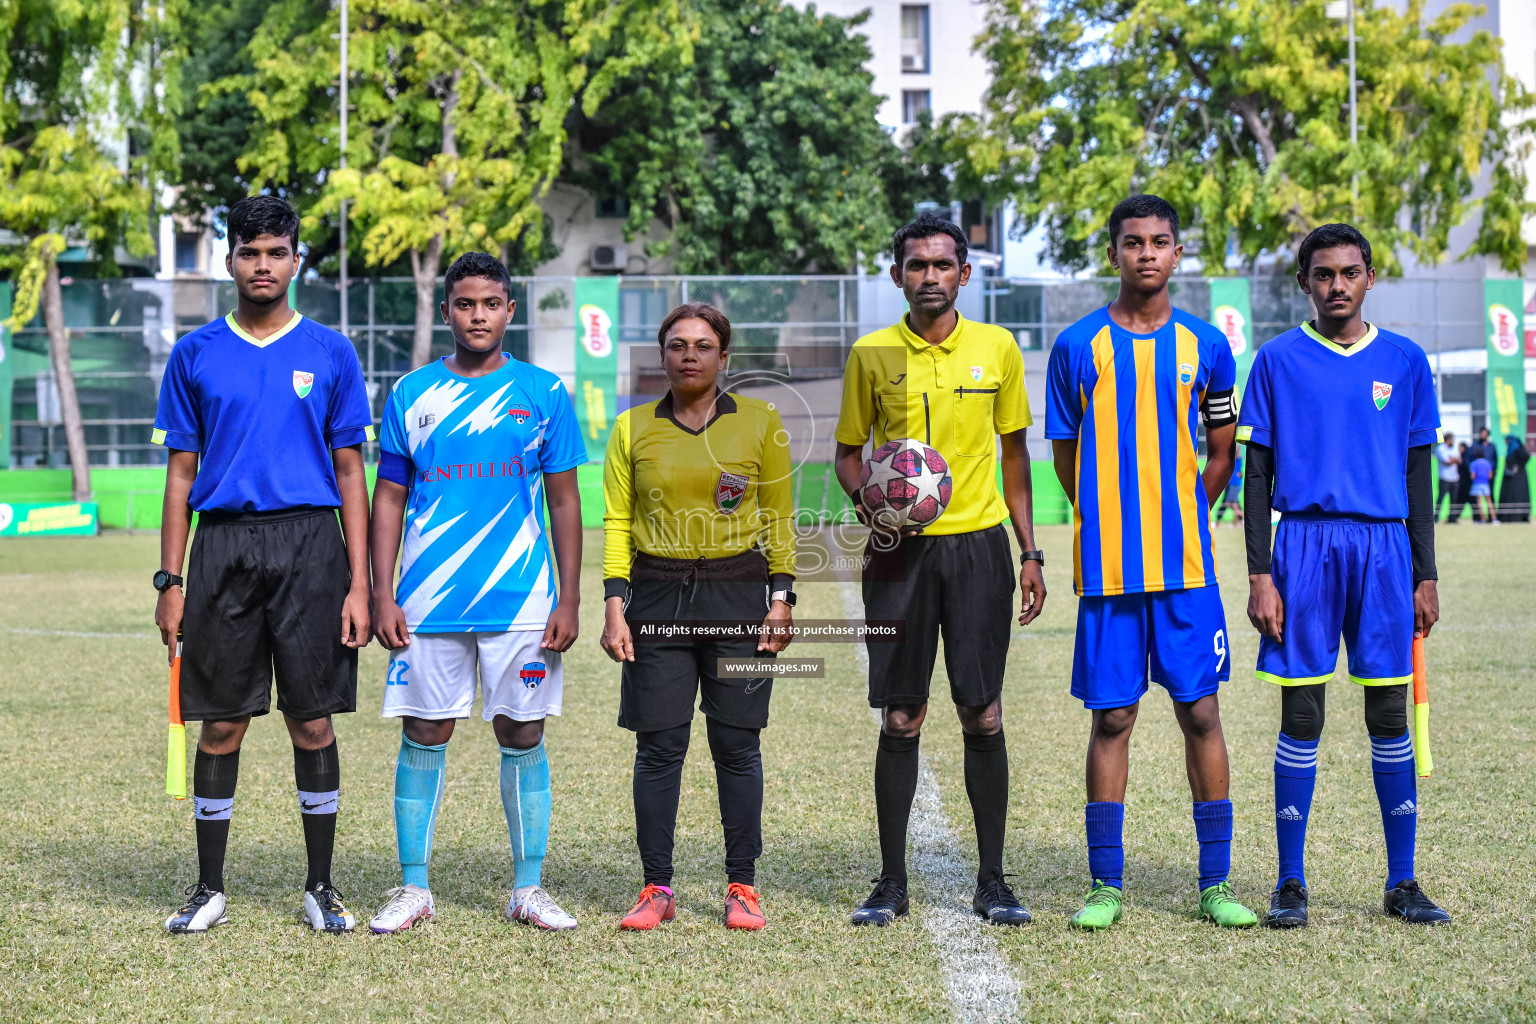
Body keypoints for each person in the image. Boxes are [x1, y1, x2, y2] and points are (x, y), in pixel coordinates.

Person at [153, 195, 373, 934]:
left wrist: (361, 584)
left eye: (276, 252)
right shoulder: (196, 353)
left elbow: (351, 473)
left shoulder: (331, 352)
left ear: (296, 260)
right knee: (221, 726)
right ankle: (209, 887)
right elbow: (181, 475)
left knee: (312, 721)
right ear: (229, 260)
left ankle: (321, 886)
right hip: (221, 548)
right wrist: (170, 579)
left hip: (313, 547)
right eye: (249, 252)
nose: (262, 265)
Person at [1045, 194, 1256, 931]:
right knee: (1113, 719)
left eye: (1160, 241)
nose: (1146, 253)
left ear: (1177, 253)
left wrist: (1185, 512)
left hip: (1188, 572)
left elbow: (1223, 448)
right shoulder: (1076, 346)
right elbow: (1066, 456)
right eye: (1132, 241)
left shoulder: (1209, 346)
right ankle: (1106, 885)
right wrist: (1108, 515)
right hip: (1108, 572)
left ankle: (1215, 884)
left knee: (1201, 712)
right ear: (1113, 253)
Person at [834, 212, 1047, 927]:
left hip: (980, 546)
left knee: (981, 711)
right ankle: (890, 882)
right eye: (916, 265)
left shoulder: (998, 348)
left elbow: (1015, 457)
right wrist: (871, 506)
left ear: (965, 272)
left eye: (942, 264)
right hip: (899, 554)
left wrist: (1031, 550)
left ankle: (993, 881)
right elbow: (847, 453)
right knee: (901, 716)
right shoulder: (869, 354)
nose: (930, 276)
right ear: (896, 275)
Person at [367, 252, 586, 934]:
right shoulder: (411, 394)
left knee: (522, 733)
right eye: (465, 304)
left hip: (523, 598)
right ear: (448, 311)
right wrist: (382, 592)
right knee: (423, 732)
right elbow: (389, 498)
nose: (478, 315)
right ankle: (413, 889)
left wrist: (569, 598)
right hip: (428, 599)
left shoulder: (545, 393)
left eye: (490, 303)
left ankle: (528, 888)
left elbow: (566, 502)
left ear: (510, 310)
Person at [1240, 222, 1450, 928]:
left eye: (1350, 272)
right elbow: (1258, 474)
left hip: (1385, 549)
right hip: (1302, 547)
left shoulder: (1406, 359)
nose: (1337, 285)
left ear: (1368, 278)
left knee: (1388, 709)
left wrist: (1427, 572)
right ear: (1305, 282)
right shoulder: (1275, 359)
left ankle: (1402, 881)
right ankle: (1291, 883)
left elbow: (1420, 473)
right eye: (1323, 274)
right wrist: (1260, 573)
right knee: (1302, 711)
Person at [599, 303, 795, 932]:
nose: (690, 354)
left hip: (738, 599)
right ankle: (656, 886)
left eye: (704, 345)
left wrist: (781, 599)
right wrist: (613, 603)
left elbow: (778, 518)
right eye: (678, 344)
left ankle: (743, 886)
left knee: (737, 747)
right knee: (660, 749)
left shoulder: (762, 422)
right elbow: (618, 522)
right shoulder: (632, 429)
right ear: (662, 355)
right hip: (656, 601)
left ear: (724, 357)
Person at [1498, 436, 1530, 522]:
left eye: (1507, 441)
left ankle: (1519, 517)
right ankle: (1507, 517)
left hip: (1518, 479)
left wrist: (1518, 467)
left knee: (1517, 496)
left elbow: (1526, 457)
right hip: (1509, 479)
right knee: (1508, 496)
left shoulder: (1518, 450)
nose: (1506, 443)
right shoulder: (1509, 451)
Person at [1433, 432, 1460, 521]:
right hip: (1444, 477)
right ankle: (1436, 517)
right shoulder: (1440, 449)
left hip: (1455, 478)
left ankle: (1452, 519)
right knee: (1441, 498)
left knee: (1454, 499)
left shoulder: (1454, 448)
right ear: (1448, 440)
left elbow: (1459, 460)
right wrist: (1454, 459)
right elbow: (1447, 461)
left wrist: (1453, 459)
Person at [1217, 449, 1245, 527]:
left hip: (1234, 485)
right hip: (1231, 486)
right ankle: (1235, 523)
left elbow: (1238, 452)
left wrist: (1238, 444)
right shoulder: (1230, 462)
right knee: (1234, 504)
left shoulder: (1238, 461)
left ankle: (1244, 519)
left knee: (1230, 503)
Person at [1469, 450, 1495, 523]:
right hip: (1485, 484)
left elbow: (1473, 476)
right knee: (1489, 502)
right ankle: (1494, 519)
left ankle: (1483, 519)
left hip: (1477, 484)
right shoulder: (1487, 463)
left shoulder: (1473, 464)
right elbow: (1490, 476)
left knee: (1480, 503)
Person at [1452, 442, 1473, 523]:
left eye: (1461, 448)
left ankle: (1478, 518)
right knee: (1460, 502)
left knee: (1471, 502)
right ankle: (1454, 518)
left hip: (1467, 484)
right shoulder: (1461, 457)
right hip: (1462, 484)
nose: (1460, 450)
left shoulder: (1467, 458)